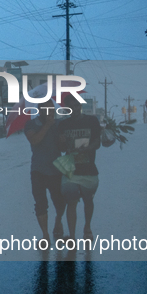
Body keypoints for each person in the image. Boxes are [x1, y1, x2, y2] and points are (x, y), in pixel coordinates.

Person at [57, 95, 101, 242]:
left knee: (88, 200)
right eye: (71, 106)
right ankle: (72, 236)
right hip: (71, 170)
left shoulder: (91, 121)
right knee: (72, 202)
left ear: (80, 106)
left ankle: (87, 227)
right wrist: (62, 142)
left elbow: (97, 142)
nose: (74, 109)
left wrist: (88, 148)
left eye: (76, 105)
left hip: (89, 169)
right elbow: (62, 149)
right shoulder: (63, 125)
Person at [24, 99, 65, 245]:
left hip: (56, 169)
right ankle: (45, 234)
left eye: (52, 109)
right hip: (38, 170)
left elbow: (63, 147)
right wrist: (47, 125)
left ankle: (58, 221)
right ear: (40, 110)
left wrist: (62, 139)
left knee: (60, 201)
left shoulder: (59, 124)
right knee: (40, 203)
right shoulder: (31, 124)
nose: (50, 113)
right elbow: (34, 140)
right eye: (47, 110)